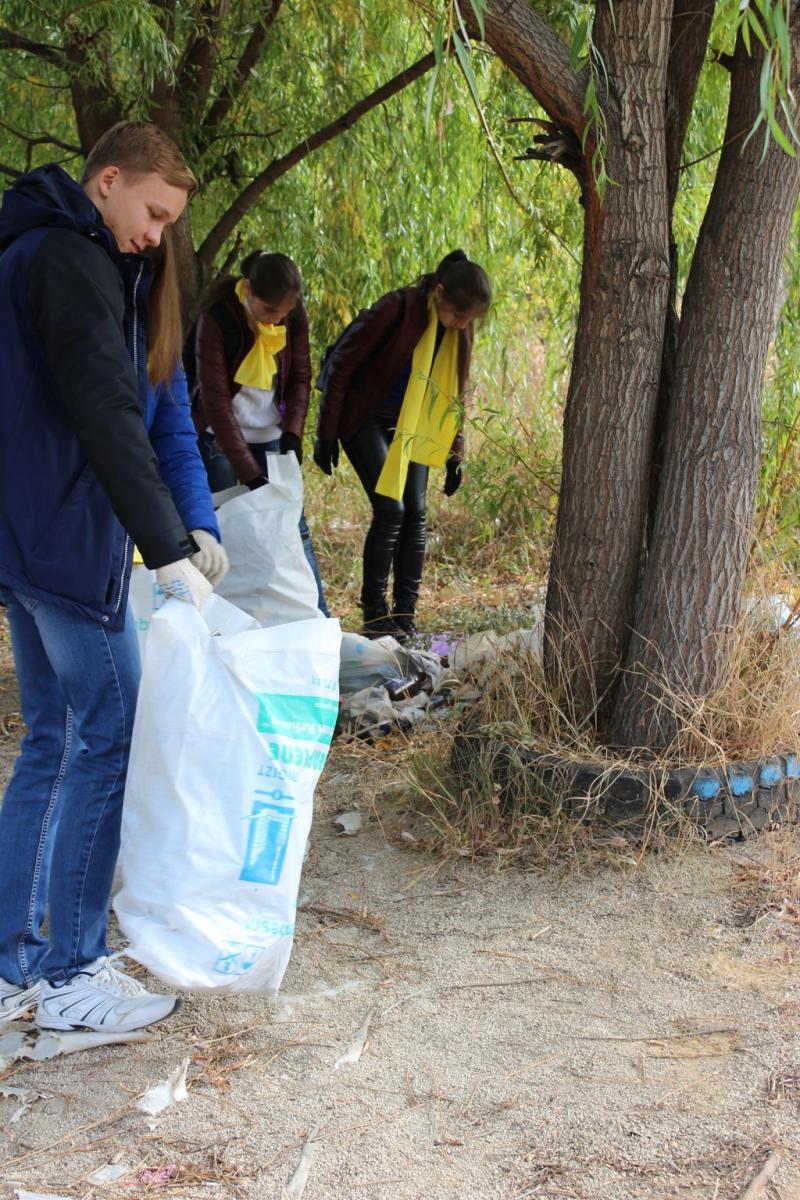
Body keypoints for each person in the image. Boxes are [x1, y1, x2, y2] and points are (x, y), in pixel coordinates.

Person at [0, 121, 227, 1034]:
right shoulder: (70, 263)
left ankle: (15, 964)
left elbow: (146, 412)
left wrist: (185, 527)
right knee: (108, 734)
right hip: (64, 541)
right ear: (107, 182)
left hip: (27, 540)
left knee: (53, 740)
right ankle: (70, 975)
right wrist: (166, 549)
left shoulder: (41, 251)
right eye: (154, 212)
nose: (158, 235)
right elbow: (104, 413)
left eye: (170, 222)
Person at [314, 249, 491, 640]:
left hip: (414, 422)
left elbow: (454, 393)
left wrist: (454, 453)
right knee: (390, 509)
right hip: (366, 417)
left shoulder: (458, 331)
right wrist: (325, 433)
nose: (462, 326)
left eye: (469, 321)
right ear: (440, 293)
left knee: (417, 512)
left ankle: (405, 617)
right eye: (458, 316)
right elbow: (342, 362)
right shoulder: (397, 308)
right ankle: (375, 617)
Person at [193, 250, 330, 615]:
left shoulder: (292, 315)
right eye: (270, 311)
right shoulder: (217, 319)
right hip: (221, 441)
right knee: (220, 534)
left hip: (272, 438)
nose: (278, 319)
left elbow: (301, 376)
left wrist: (293, 435)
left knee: (291, 531)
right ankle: (218, 624)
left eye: (284, 313)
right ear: (248, 289)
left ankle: (315, 622)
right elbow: (216, 402)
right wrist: (249, 475)